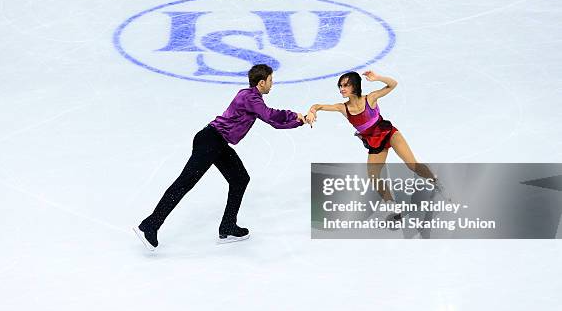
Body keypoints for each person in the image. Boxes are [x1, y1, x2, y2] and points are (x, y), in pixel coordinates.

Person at [134, 64, 306, 251]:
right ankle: (150, 225)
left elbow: (273, 121)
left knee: (240, 178)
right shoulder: (250, 97)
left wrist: (299, 121)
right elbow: (270, 116)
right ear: (261, 82)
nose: (272, 85)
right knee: (184, 183)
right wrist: (295, 116)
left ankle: (228, 226)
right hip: (210, 141)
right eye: (271, 81)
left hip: (217, 143)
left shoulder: (251, 97)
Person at [306, 71, 443, 215]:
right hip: (374, 143)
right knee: (373, 175)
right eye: (340, 86)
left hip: (389, 134)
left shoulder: (370, 98)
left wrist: (378, 78)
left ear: (355, 86)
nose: (342, 89)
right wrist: (312, 111)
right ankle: (391, 204)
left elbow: (393, 84)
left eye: (346, 85)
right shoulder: (343, 108)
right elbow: (318, 106)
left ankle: (435, 182)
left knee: (412, 164)